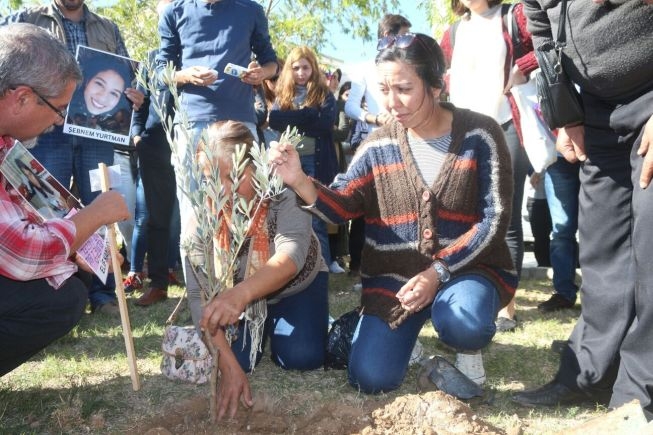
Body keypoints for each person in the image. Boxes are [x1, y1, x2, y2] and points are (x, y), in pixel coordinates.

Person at [270, 33, 516, 393]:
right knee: (369, 378)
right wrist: (300, 181)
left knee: (464, 321)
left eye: (403, 88)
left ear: (436, 86)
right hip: (395, 277)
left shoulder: (482, 134)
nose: (392, 102)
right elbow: (344, 205)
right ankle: (411, 345)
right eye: (384, 89)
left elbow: (494, 220)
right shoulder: (378, 144)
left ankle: (467, 348)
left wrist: (437, 272)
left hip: (466, 269)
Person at [512, 1, 653, 419]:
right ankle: (591, 373)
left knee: (650, 250)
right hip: (594, 110)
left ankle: (639, 393)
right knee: (599, 248)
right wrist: (565, 114)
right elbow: (540, 24)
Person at [0, 23, 130, 376]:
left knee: (73, 280)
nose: (60, 122)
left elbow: (35, 211)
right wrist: (95, 215)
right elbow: (22, 254)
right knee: (63, 296)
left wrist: (78, 247)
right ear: (22, 97)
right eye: (59, 109)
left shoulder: (7, 145)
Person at [2, 0, 144, 315]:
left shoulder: (107, 27)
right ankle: (60, 289)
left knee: (93, 207)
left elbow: (127, 73)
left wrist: (132, 94)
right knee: (45, 208)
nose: (59, 117)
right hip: (47, 138)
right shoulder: (26, 18)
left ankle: (105, 294)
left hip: (97, 134)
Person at [188, 121, 328, 419]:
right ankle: (265, 326)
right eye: (210, 178)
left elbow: (292, 255)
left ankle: (309, 320)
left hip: (297, 286)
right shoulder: (200, 212)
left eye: (232, 177)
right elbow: (196, 294)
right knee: (241, 361)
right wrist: (227, 366)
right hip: (241, 301)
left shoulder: (282, 189)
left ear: (255, 167)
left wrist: (240, 294)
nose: (221, 189)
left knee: (300, 357)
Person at [156, 0, 278, 294]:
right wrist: (185, 75)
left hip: (240, 124)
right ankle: (201, 299)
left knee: (246, 213)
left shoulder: (250, 10)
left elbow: (271, 62)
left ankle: (244, 293)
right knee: (193, 215)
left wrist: (260, 73)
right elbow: (160, 70)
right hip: (191, 125)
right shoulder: (175, 11)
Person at [440, 0, 537, 333]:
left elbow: (550, 45)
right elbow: (436, 76)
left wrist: (522, 66)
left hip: (508, 123)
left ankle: (506, 307)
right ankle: (466, 291)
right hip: (465, 131)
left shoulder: (515, 15)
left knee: (505, 216)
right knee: (466, 214)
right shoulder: (453, 32)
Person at [267, 46, 338, 272]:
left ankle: (322, 266)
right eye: (296, 67)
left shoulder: (324, 93)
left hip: (314, 163)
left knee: (316, 216)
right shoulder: (283, 93)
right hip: (287, 164)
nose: (300, 72)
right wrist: (308, 115)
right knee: (288, 214)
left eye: (305, 67)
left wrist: (294, 118)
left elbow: (325, 124)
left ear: (313, 68)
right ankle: (294, 266)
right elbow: (275, 120)